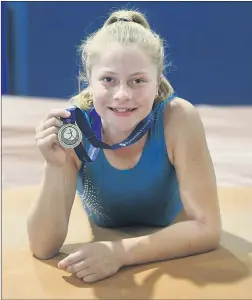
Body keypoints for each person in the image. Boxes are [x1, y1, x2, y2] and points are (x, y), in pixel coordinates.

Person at [27, 9, 221, 283]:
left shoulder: (178, 118)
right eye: (108, 79)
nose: (122, 95)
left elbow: (207, 228)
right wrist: (54, 165)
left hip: (174, 239)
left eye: (138, 80)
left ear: (157, 82)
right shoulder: (74, 127)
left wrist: (120, 254)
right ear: (89, 81)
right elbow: (42, 247)